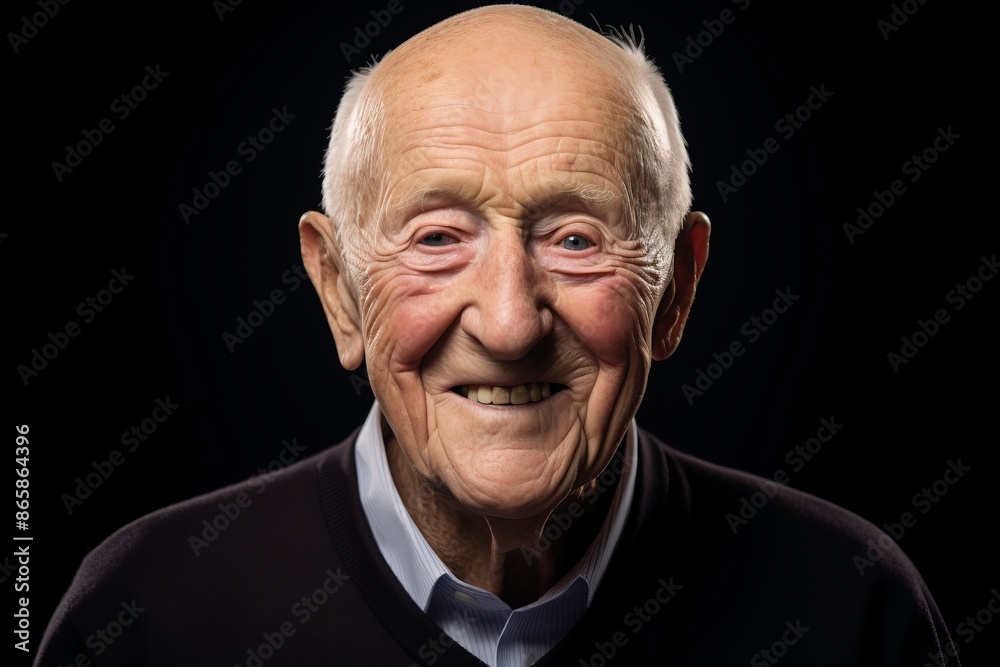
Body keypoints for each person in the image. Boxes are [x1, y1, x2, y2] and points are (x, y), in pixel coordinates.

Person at [35, 5, 959, 666]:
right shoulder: (148, 614)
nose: (511, 323)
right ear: (340, 292)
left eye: (575, 238)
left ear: (675, 289)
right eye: (437, 239)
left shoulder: (849, 606)